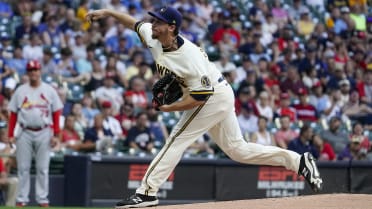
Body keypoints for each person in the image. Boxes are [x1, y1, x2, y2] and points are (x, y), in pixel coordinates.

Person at [86, 7, 323, 208]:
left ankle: (146, 192)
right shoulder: (154, 36)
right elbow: (135, 24)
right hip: (216, 92)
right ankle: (298, 161)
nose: (152, 24)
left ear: (172, 27)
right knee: (237, 150)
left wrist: (169, 109)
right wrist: (107, 12)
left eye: (158, 22)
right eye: (154, 21)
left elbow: (199, 99)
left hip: (212, 97)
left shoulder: (189, 57)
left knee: (176, 138)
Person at [7, 60, 63, 207]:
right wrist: (11, 133)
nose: (33, 72)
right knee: (23, 168)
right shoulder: (21, 90)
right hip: (24, 131)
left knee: (42, 168)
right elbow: (13, 113)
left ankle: (42, 199)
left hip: (44, 131)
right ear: (27, 72)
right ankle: (22, 199)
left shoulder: (49, 90)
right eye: (31, 70)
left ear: (40, 71)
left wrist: (56, 134)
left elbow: (56, 112)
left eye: (36, 70)